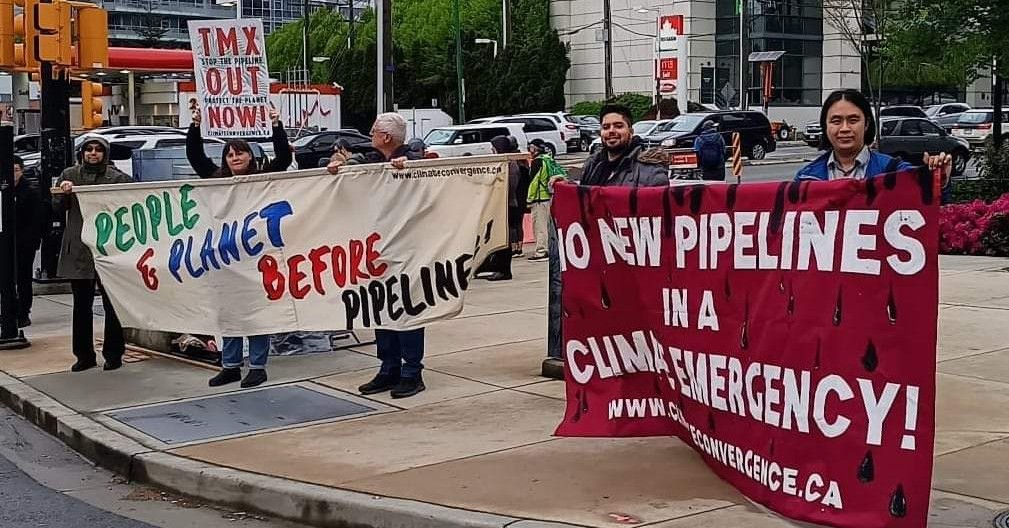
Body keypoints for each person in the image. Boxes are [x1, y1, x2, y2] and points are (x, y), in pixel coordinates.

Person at [187, 104, 293, 388]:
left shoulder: (262, 178)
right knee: (229, 311)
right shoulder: (216, 179)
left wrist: (276, 124)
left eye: (240, 153)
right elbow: (195, 157)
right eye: (230, 154)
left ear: (250, 156)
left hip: (258, 256)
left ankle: (258, 366)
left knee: (257, 312)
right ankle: (230, 365)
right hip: (226, 257)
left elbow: (283, 157)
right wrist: (195, 126)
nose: (234, 157)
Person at [327, 113, 427, 399]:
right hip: (377, 249)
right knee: (381, 307)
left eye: (373, 132)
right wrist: (340, 165)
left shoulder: (411, 158)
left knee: (407, 309)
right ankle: (388, 367)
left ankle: (412, 372)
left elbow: (430, 173)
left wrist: (409, 168)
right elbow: (356, 163)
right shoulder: (373, 161)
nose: (370, 136)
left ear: (386, 137)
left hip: (408, 249)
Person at [55, 137, 132, 372]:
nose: (93, 153)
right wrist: (64, 194)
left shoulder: (117, 177)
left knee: (113, 305)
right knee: (81, 306)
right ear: (82, 153)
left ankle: (114, 353)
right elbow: (57, 210)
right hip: (80, 248)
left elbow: (130, 203)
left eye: (99, 150)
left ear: (105, 154)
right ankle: (84, 355)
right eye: (89, 149)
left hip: (109, 249)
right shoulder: (70, 174)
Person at [796, 89, 952, 187]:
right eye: (836, 121)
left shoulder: (892, 170)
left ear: (866, 124)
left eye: (853, 120)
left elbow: (926, 197)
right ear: (825, 126)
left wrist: (938, 178)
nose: (844, 129)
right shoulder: (806, 177)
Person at [579, 104, 670, 187]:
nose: (611, 131)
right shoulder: (591, 166)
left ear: (631, 132)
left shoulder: (652, 173)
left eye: (618, 126)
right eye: (606, 127)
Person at [476, 135, 523, 281]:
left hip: (507, 205)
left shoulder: (510, 165)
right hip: (501, 205)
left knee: (504, 238)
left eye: (493, 148)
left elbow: (509, 187)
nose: (492, 151)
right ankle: (493, 264)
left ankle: (504, 269)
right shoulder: (503, 164)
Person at [13, 156, 45, 328]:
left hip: (25, 242)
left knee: (23, 277)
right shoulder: (4, 189)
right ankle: (10, 309)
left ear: (22, 170)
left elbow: (36, 220)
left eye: (16, 170)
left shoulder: (30, 190)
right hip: (7, 242)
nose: (13, 174)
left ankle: (23, 312)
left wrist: (31, 241)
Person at [525, 139, 565, 261]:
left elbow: (534, 182)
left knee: (539, 226)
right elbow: (563, 173)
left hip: (539, 198)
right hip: (549, 196)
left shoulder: (537, 162)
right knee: (548, 225)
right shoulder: (548, 159)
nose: (529, 150)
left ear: (535, 149)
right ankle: (549, 248)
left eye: (531, 147)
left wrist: (529, 199)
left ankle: (541, 251)